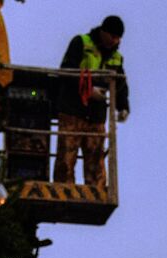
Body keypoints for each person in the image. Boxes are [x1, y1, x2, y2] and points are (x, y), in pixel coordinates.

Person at [53, 15, 128, 189]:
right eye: (112, 36)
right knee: (66, 156)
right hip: (72, 110)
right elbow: (66, 71)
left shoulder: (116, 58)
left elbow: (121, 84)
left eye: (118, 38)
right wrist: (88, 90)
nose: (115, 41)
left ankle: (97, 190)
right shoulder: (81, 43)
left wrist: (123, 106)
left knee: (95, 159)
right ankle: (63, 190)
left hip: (96, 115)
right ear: (103, 32)